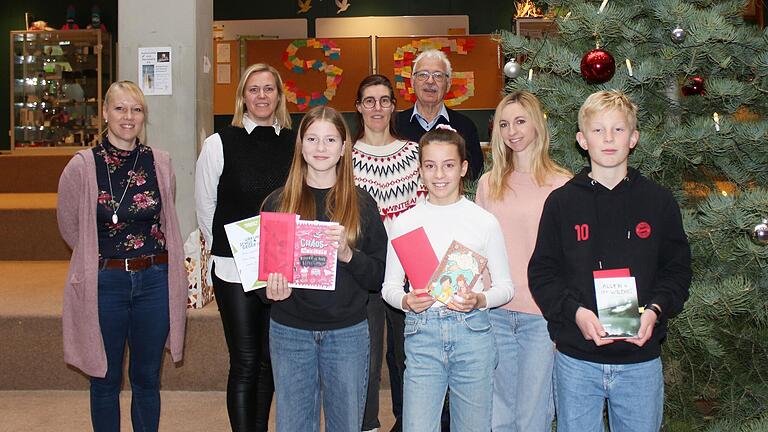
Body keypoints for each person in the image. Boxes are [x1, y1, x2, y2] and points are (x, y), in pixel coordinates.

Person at [528, 90, 692, 432]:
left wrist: (656, 310)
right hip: (577, 359)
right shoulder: (561, 203)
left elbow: (677, 270)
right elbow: (543, 273)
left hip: (640, 362)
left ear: (633, 139)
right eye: (598, 130)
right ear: (581, 140)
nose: (608, 138)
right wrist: (576, 312)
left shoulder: (658, 201)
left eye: (618, 130)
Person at [57, 80, 187, 431]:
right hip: (106, 282)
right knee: (105, 376)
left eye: (136, 109)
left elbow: (164, 216)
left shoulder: (160, 162)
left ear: (144, 116)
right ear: (104, 112)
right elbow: (70, 226)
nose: (128, 117)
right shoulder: (82, 166)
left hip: (154, 281)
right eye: (120, 108)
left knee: (146, 377)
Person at [261, 105, 388, 432]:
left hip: (348, 333)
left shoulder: (362, 204)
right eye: (313, 139)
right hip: (290, 332)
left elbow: (377, 276)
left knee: (346, 424)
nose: (320, 148)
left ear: (344, 147)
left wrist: (348, 254)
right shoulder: (277, 203)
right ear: (300, 145)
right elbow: (262, 282)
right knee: (293, 425)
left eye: (330, 139)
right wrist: (270, 288)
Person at [381, 125, 514, 432]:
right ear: (420, 170)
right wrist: (405, 300)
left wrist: (479, 299)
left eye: (448, 165)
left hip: (473, 333)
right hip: (423, 333)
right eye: (430, 166)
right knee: (417, 426)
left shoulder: (483, 221)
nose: (439, 175)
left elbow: (506, 287)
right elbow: (389, 287)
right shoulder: (404, 222)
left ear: (463, 168)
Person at [195, 63, 295, 431]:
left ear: (279, 96)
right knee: (245, 359)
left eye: (269, 89)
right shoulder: (220, 143)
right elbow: (206, 207)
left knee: (270, 360)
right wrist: (229, 247)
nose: (262, 96)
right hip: (233, 267)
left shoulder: (295, 141)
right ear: (242, 97)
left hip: (279, 267)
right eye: (254, 89)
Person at [475, 91, 571, 431]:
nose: (512, 131)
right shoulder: (489, 184)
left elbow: (571, 258)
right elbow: (478, 250)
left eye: (519, 121)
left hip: (541, 316)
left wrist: (564, 315)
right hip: (496, 312)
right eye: (503, 123)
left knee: (534, 413)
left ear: (536, 124)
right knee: (498, 413)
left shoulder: (562, 184)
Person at [351, 74, 427, 432]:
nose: (377, 107)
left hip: (408, 268)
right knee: (364, 356)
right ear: (359, 107)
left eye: (384, 100)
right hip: (362, 269)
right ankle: (366, 423)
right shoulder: (344, 156)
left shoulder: (414, 154)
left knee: (404, 355)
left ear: (394, 106)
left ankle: (407, 422)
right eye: (369, 100)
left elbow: (426, 210)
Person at [396, 49, 484, 180]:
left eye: (438, 75)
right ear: (412, 82)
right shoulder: (395, 125)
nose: (430, 81)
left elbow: (474, 175)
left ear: (448, 85)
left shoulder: (465, 126)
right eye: (423, 75)